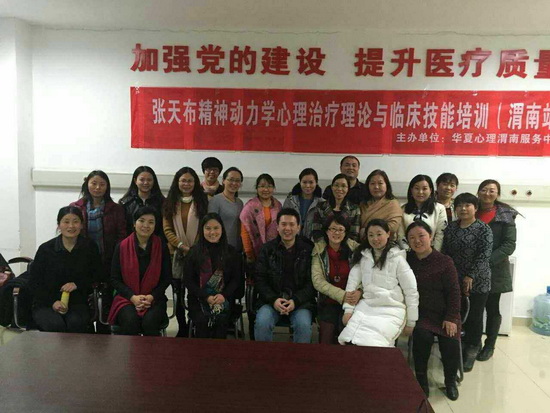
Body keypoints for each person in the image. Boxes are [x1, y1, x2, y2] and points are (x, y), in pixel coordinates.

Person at [338, 219, 418, 347]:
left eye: (379, 234)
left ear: (388, 234)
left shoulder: (397, 258)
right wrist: (348, 310)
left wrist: (411, 321)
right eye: (371, 235)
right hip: (366, 307)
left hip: (391, 309)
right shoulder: (363, 257)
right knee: (349, 338)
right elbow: (352, 284)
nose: (375, 239)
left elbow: (411, 291)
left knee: (375, 344)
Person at [406, 221, 461, 401]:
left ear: (430, 236)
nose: (417, 241)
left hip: (445, 313)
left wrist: (451, 317)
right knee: (422, 336)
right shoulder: (406, 260)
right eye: (412, 238)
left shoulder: (444, 261)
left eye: (421, 236)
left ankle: (450, 381)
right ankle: (421, 379)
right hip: (420, 313)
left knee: (450, 340)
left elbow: (454, 291)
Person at [29, 206, 101, 333]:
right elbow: (35, 282)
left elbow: (98, 274)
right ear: (59, 225)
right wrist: (52, 302)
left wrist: (77, 284)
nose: (71, 226)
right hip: (46, 302)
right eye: (66, 222)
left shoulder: (89, 247)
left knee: (76, 324)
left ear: (82, 225)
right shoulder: (46, 249)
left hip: (77, 302)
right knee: (55, 326)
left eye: (75, 221)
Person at [442, 193, 493, 372]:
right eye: (460, 205)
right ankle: (461, 345)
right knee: (458, 314)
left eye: (468, 205)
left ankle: (473, 347)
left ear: (475, 208)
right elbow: (446, 252)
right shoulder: (451, 228)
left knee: (475, 316)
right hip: (455, 279)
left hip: (477, 281)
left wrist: (470, 276)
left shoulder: (483, 229)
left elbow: (484, 255)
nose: (463, 209)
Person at [70, 170, 126, 333]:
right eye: (94, 183)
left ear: (107, 187)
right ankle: (87, 329)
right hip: (83, 260)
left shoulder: (116, 209)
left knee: (105, 300)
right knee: (84, 297)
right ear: (87, 184)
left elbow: (122, 235)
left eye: (102, 184)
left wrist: (116, 257)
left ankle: (104, 332)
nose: (97, 187)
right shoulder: (76, 207)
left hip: (108, 259)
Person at [254, 208, 316, 343]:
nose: (287, 228)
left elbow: (312, 283)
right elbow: (259, 280)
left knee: (303, 325)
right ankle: (263, 356)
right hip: (271, 301)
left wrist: (295, 301)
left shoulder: (308, 250)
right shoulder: (267, 250)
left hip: (300, 303)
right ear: (277, 227)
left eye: (292, 224)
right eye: (283, 224)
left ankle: (299, 357)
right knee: (262, 323)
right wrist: (274, 300)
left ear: (298, 228)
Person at [108, 206, 171, 335]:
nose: (146, 225)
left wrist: (151, 297)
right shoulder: (122, 246)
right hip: (127, 298)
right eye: (141, 221)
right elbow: (114, 279)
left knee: (150, 322)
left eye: (151, 222)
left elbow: (166, 278)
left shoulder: (161, 247)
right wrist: (133, 297)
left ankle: (151, 350)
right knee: (130, 321)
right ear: (134, 223)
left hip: (154, 298)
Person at [476, 179, 519, 362]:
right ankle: (473, 343)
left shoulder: (505, 214)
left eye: (492, 190)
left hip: (495, 268)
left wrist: (486, 261)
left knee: (492, 307)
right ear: (478, 192)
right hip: (472, 268)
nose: (487, 193)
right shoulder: (471, 209)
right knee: (474, 309)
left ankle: (490, 346)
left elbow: (509, 245)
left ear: (498, 194)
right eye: (484, 190)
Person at [163, 166, 209, 337]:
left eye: (190, 181)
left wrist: (194, 249)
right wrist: (181, 245)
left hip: (198, 254)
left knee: (194, 291)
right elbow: (167, 229)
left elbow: (205, 227)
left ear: (195, 183)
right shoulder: (169, 202)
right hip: (176, 254)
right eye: (183, 180)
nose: (186, 184)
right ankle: (182, 326)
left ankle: (193, 324)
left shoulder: (202, 201)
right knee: (178, 292)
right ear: (177, 182)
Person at [183, 213, 243, 339]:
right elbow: (188, 281)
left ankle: (219, 351)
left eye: (216, 228)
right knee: (202, 321)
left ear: (222, 229)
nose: (212, 232)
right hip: (199, 299)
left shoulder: (231, 253)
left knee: (221, 321)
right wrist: (206, 296)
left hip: (224, 298)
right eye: (208, 228)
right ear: (202, 230)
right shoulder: (194, 253)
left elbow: (236, 279)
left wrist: (223, 295)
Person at [240, 174, 282, 339]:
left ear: (274, 188)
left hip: (274, 256)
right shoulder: (250, 206)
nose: (266, 189)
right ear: (257, 188)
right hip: (255, 256)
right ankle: (254, 329)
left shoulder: (278, 205)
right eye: (262, 186)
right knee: (255, 291)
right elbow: (245, 231)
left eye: (269, 186)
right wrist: (250, 255)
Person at [311, 215, 360, 344]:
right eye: (333, 229)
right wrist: (342, 295)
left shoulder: (356, 249)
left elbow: (365, 276)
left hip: (352, 301)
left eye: (340, 229)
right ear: (326, 231)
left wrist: (359, 291)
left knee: (348, 335)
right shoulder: (319, 250)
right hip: (328, 301)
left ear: (346, 232)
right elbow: (318, 281)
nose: (336, 233)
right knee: (326, 339)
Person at [399, 174, 447, 251]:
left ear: (430, 190)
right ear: (411, 190)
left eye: (424, 189)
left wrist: (432, 253)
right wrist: (409, 253)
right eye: (417, 188)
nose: (420, 192)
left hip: (433, 253)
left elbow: (440, 235)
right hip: (409, 253)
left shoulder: (440, 209)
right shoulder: (402, 209)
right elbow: (400, 235)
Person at [312, 174, 361, 242]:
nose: (339, 189)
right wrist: (325, 246)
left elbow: (354, 234)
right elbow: (316, 231)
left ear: (348, 189)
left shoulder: (354, 209)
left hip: (346, 246)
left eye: (343, 186)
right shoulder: (320, 207)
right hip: (323, 245)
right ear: (332, 187)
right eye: (336, 185)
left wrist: (341, 246)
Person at [119, 166, 166, 237]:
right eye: (142, 180)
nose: (146, 183)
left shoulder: (163, 202)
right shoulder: (125, 203)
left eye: (149, 180)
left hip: (157, 242)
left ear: (154, 181)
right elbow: (122, 229)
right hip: (131, 242)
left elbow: (164, 228)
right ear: (135, 181)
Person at [359, 169, 402, 240]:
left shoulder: (393, 204)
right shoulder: (363, 204)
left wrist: (368, 232)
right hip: (363, 242)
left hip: (386, 243)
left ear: (386, 185)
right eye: (372, 183)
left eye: (380, 183)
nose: (376, 187)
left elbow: (393, 227)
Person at [208, 167, 244, 251]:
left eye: (237, 181)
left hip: (236, 248)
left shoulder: (240, 202)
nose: (234, 183)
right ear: (223, 181)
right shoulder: (215, 201)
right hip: (220, 248)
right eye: (231, 180)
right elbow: (211, 226)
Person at [283, 168, 324, 240]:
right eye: (304, 182)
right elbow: (284, 221)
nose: (307, 186)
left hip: (313, 242)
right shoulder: (290, 200)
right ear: (300, 182)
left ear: (316, 183)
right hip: (291, 240)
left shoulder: (322, 203)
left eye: (311, 182)